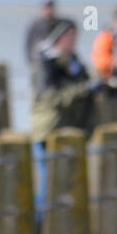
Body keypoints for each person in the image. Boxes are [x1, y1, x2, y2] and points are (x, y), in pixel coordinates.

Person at [31, 20, 97, 222]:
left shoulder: (73, 61)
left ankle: (62, 227)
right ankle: (39, 228)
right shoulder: (45, 63)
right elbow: (51, 97)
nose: (73, 41)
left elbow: (84, 83)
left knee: (67, 182)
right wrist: (85, 89)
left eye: (75, 36)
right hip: (48, 129)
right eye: (70, 36)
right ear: (59, 37)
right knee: (47, 184)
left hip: (70, 131)